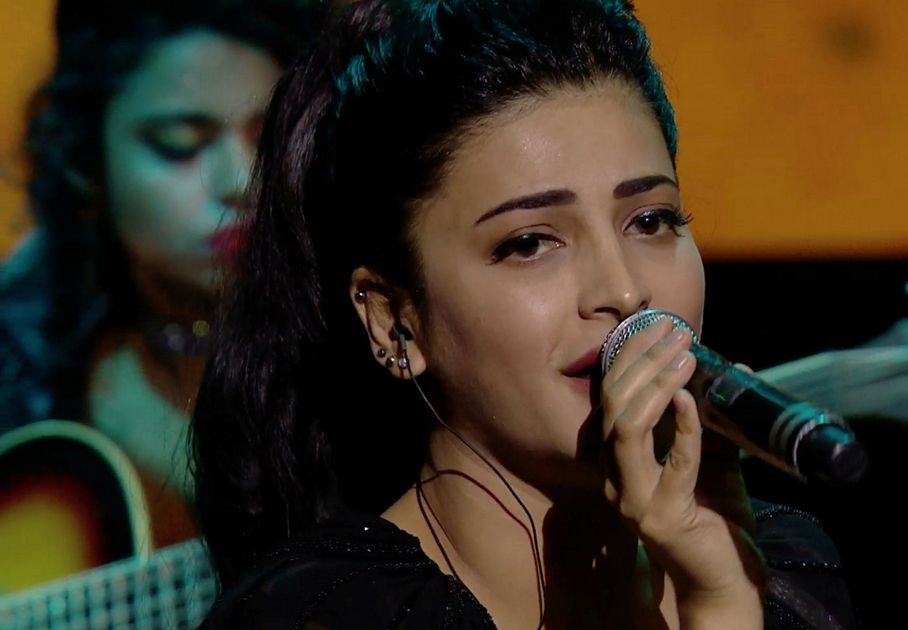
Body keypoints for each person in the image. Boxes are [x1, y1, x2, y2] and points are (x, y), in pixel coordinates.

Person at [194, 0, 858, 628]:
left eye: (651, 220)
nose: (624, 291)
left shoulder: (779, 568)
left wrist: (722, 596)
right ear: (394, 318)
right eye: (530, 243)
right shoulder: (323, 613)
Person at [0, 0, 317, 546]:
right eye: (181, 143)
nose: (241, 181)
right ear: (88, 160)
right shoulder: (23, 355)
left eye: (269, 137)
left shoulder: (370, 322)